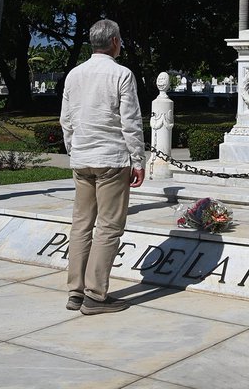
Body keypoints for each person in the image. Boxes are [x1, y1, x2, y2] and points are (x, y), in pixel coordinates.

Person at [60, 18, 146, 315]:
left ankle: (75, 291)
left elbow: (66, 120)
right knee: (108, 227)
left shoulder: (74, 74)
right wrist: (138, 159)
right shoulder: (121, 74)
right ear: (113, 42)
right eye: (120, 40)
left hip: (83, 159)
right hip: (111, 159)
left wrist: (75, 150)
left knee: (81, 225)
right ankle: (95, 295)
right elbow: (130, 122)